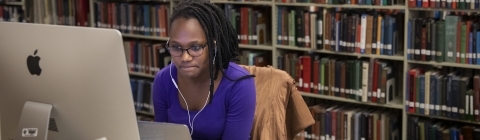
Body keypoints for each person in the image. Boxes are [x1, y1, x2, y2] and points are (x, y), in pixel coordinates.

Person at [152, 0, 257, 139]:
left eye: (195, 47)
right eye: (176, 47)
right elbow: (161, 136)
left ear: (213, 47)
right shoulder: (163, 80)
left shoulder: (239, 84)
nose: (185, 57)